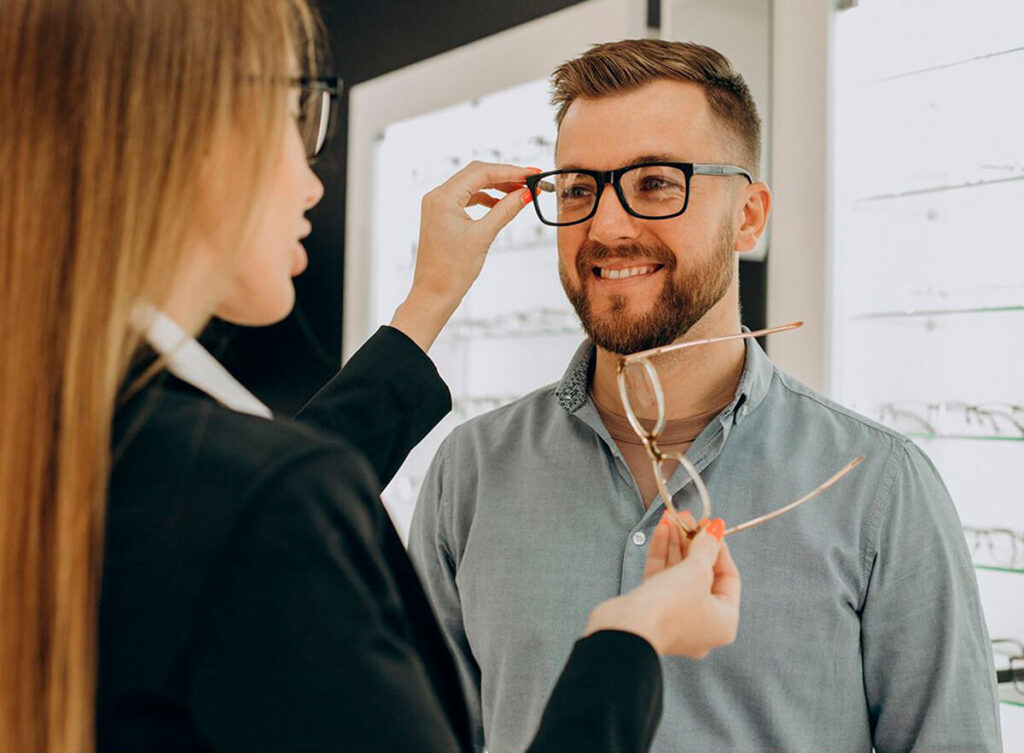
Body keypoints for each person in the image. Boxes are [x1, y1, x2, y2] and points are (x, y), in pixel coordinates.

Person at [0, 4, 743, 752]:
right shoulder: (289, 494)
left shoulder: (82, 441)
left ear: (749, 215)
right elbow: (260, 513)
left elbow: (237, 515)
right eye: (297, 113)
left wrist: (427, 302)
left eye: (654, 183)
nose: (312, 180)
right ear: (192, 135)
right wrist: (630, 639)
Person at [409, 38, 1002, 753]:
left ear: (749, 216)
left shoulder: (879, 489)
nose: (606, 227)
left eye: (656, 182)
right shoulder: (470, 473)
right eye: (578, 189)